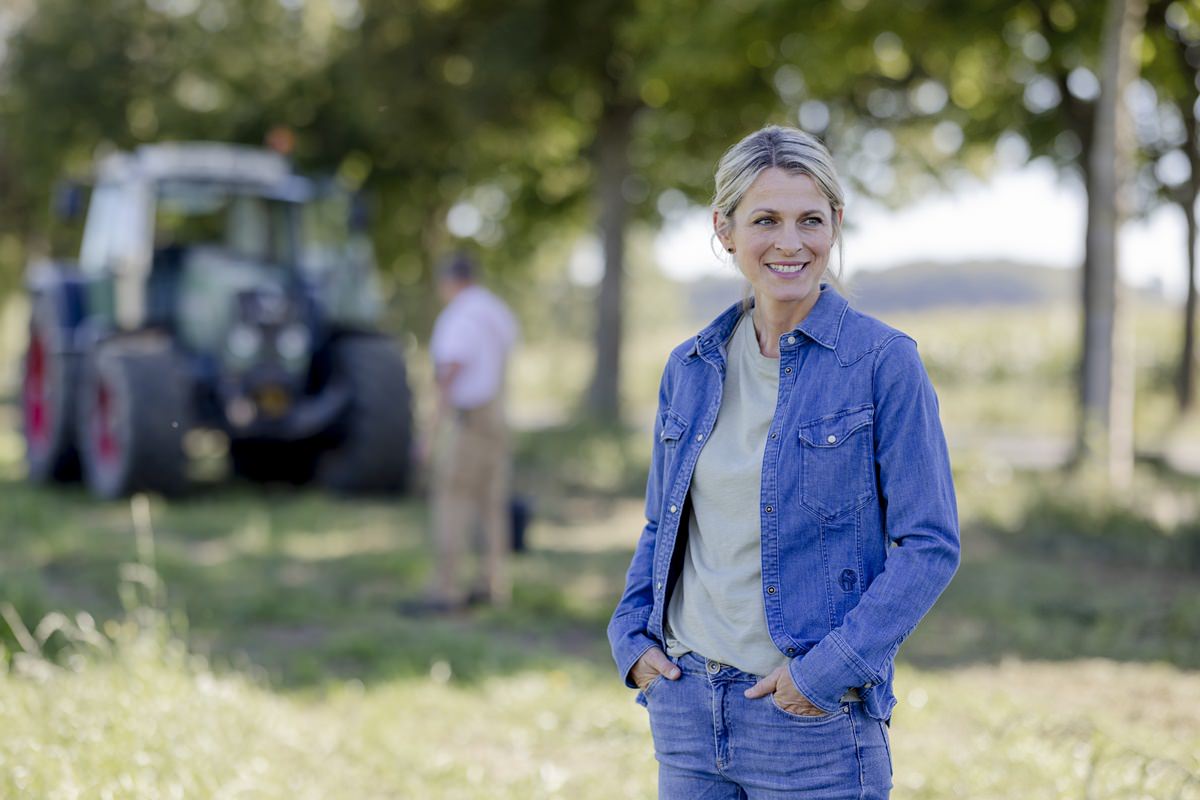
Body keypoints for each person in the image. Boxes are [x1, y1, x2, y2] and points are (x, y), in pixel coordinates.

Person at [608, 126, 960, 799]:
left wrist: (826, 672)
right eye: (765, 219)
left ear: (837, 225)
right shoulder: (689, 367)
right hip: (685, 708)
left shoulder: (884, 364)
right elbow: (662, 524)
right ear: (726, 229)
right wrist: (631, 642)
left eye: (811, 220)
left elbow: (929, 545)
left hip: (811, 723)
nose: (791, 243)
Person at [425, 252, 519, 610]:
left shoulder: (459, 315)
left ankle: (446, 588)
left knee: (453, 498)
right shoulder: (496, 310)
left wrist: (429, 433)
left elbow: (448, 372)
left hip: (471, 419)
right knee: (492, 503)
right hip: (497, 414)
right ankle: (493, 584)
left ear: (451, 281)